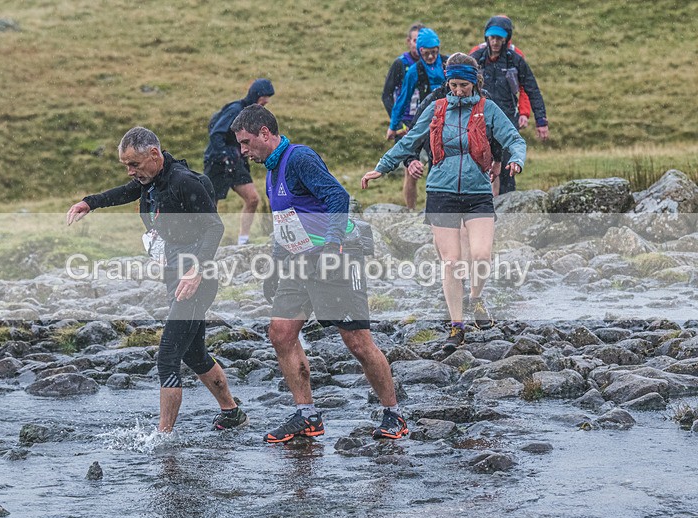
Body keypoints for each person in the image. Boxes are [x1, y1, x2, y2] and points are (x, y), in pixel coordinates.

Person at [230, 104, 408, 443]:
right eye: (241, 144)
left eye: (247, 142)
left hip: (336, 257)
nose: (243, 151)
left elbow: (338, 197)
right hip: (300, 262)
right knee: (280, 333)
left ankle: (393, 414)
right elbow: (288, 223)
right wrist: (276, 265)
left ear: (266, 134)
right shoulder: (272, 169)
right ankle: (307, 415)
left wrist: (331, 245)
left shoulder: (299, 158)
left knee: (357, 342)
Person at [66, 126, 247, 433]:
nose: (130, 171)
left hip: (197, 279)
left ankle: (163, 439)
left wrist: (197, 269)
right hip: (176, 277)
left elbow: (214, 228)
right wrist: (90, 202)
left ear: (154, 154)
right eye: (126, 165)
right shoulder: (152, 181)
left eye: (133, 164)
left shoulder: (183, 181)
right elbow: (126, 192)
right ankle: (231, 412)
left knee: (168, 355)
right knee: (193, 352)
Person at [362, 53, 526, 353]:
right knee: (451, 262)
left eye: (464, 85)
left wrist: (516, 160)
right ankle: (456, 326)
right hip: (441, 192)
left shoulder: (487, 109)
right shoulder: (437, 108)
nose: (458, 91)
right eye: (453, 84)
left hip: (478, 192)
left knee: (481, 255)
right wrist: (382, 167)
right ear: (447, 82)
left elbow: (515, 140)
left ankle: (475, 298)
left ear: (474, 82)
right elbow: (410, 140)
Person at [470, 15, 547, 194]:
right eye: (492, 37)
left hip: (507, 120)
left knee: (506, 167)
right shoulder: (476, 58)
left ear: (506, 39)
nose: (495, 42)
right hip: (479, 119)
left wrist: (541, 121)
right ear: (486, 38)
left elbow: (532, 90)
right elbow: (456, 83)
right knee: (477, 165)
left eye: (499, 38)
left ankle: (508, 206)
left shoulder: (516, 60)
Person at [203, 78, 275, 245]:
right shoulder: (235, 109)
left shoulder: (251, 115)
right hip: (217, 162)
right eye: (264, 98)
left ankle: (243, 241)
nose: (266, 102)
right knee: (210, 204)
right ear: (256, 95)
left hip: (236, 162)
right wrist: (224, 153)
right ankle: (206, 242)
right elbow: (216, 134)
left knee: (253, 199)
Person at [387, 27, 448, 211]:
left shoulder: (448, 64)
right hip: (422, 124)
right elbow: (402, 99)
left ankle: (437, 210)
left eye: (434, 53)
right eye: (426, 53)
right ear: (419, 51)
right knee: (412, 170)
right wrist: (393, 125)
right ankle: (411, 211)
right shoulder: (414, 71)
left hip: (448, 124)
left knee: (440, 170)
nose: (430, 57)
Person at [381, 22, 424, 211]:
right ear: (409, 42)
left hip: (429, 122)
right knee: (411, 170)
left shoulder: (433, 64)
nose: (418, 45)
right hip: (406, 125)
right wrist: (396, 121)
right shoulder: (401, 64)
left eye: (421, 41)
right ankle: (411, 211)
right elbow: (387, 94)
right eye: (415, 41)